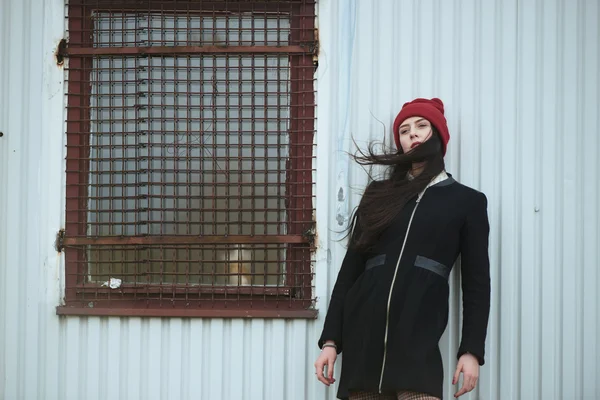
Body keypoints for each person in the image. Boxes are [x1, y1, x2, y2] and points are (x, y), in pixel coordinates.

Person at [314, 98, 491, 400]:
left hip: (417, 346)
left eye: (422, 126)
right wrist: (331, 341)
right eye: (405, 130)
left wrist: (471, 351)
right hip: (364, 345)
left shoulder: (467, 201)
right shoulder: (379, 195)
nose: (413, 134)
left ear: (439, 134)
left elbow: (477, 284)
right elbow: (350, 271)